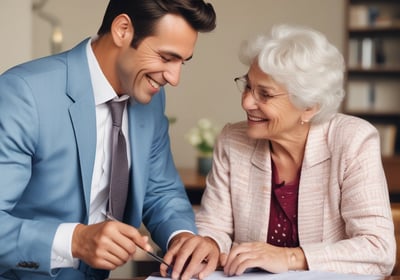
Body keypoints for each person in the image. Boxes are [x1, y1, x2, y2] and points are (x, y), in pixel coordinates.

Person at [0, 1, 220, 279]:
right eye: (166, 58)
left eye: (182, 62)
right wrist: (76, 240)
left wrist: (182, 238)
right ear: (122, 30)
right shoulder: (24, 93)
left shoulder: (150, 99)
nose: (174, 78)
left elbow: (161, 191)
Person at [195, 24, 396, 276]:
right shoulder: (232, 140)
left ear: (309, 106)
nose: (246, 102)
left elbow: (378, 249)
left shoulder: (352, 139)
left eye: (265, 94)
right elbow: (213, 227)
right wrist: (208, 244)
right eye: (247, 86)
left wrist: (289, 257)